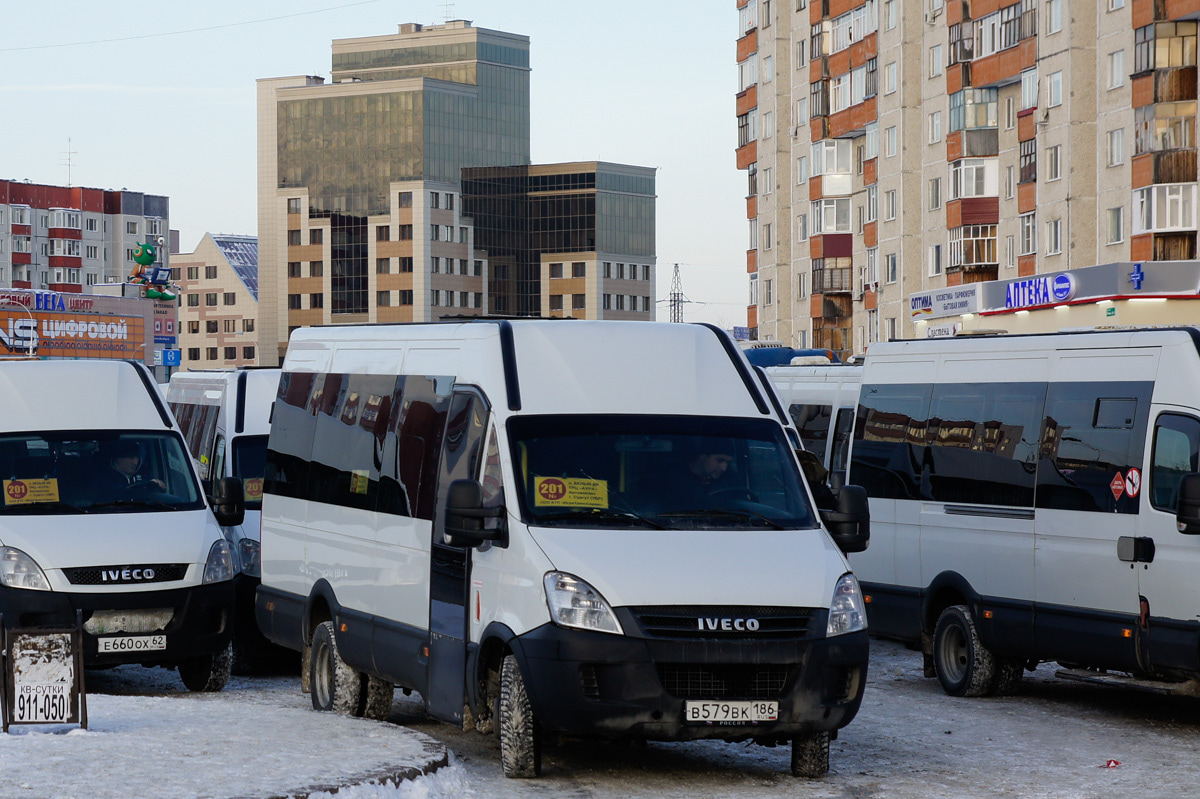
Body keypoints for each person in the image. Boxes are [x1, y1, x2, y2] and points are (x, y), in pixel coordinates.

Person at [98, 440, 165, 493]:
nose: (135, 462)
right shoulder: (104, 474)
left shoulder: (144, 472)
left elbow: (158, 491)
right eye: (131, 457)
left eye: (137, 457)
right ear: (119, 458)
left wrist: (158, 484)